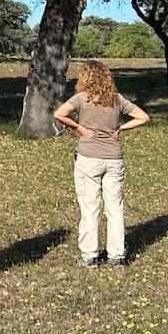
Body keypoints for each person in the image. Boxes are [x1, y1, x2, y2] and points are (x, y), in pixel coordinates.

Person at [53, 61, 150, 267]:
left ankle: (89, 255)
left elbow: (59, 113)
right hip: (114, 158)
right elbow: (143, 117)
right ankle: (116, 255)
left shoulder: (81, 98)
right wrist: (121, 129)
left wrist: (79, 128)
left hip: (88, 157)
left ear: (85, 78)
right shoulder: (117, 99)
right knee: (115, 207)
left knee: (90, 207)